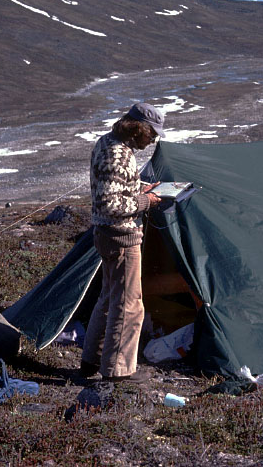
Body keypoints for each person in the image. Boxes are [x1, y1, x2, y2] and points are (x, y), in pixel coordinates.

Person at [79, 102, 165, 382]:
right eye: (151, 134)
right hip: (121, 236)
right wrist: (146, 201)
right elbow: (110, 204)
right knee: (129, 304)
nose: (153, 140)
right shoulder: (118, 153)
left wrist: (140, 188)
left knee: (109, 298)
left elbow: (114, 187)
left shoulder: (108, 143)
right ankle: (118, 371)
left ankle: (91, 360)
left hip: (106, 235)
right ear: (139, 128)